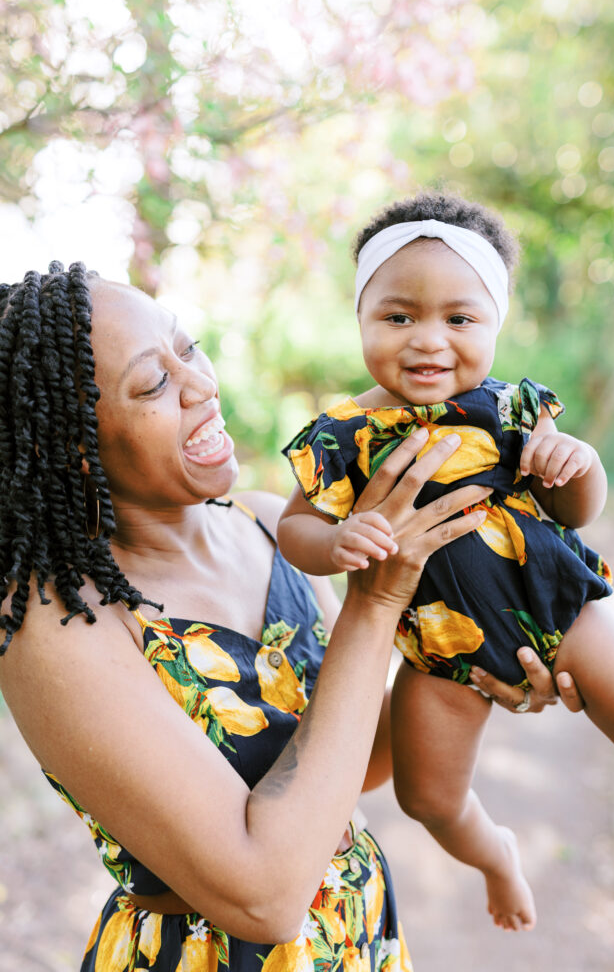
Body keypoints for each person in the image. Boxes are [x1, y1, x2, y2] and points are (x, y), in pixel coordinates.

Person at [0, 261, 580, 971]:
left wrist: (477, 671)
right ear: (70, 446)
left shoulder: (271, 527)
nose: (203, 387)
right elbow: (266, 897)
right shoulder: (57, 626)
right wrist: (376, 604)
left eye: (188, 349)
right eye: (154, 383)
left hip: (356, 930)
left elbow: (347, 766)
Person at [277, 190, 614, 933]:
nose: (428, 341)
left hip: (559, 604)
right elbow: (295, 526)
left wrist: (577, 461)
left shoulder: (509, 410)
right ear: (361, 318)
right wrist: (333, 542)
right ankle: (496, 854)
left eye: (458, 320)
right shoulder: (338, 434)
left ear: (494, 322)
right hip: (437, 651)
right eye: (398, 317)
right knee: (425, 798)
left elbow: (574, 511)